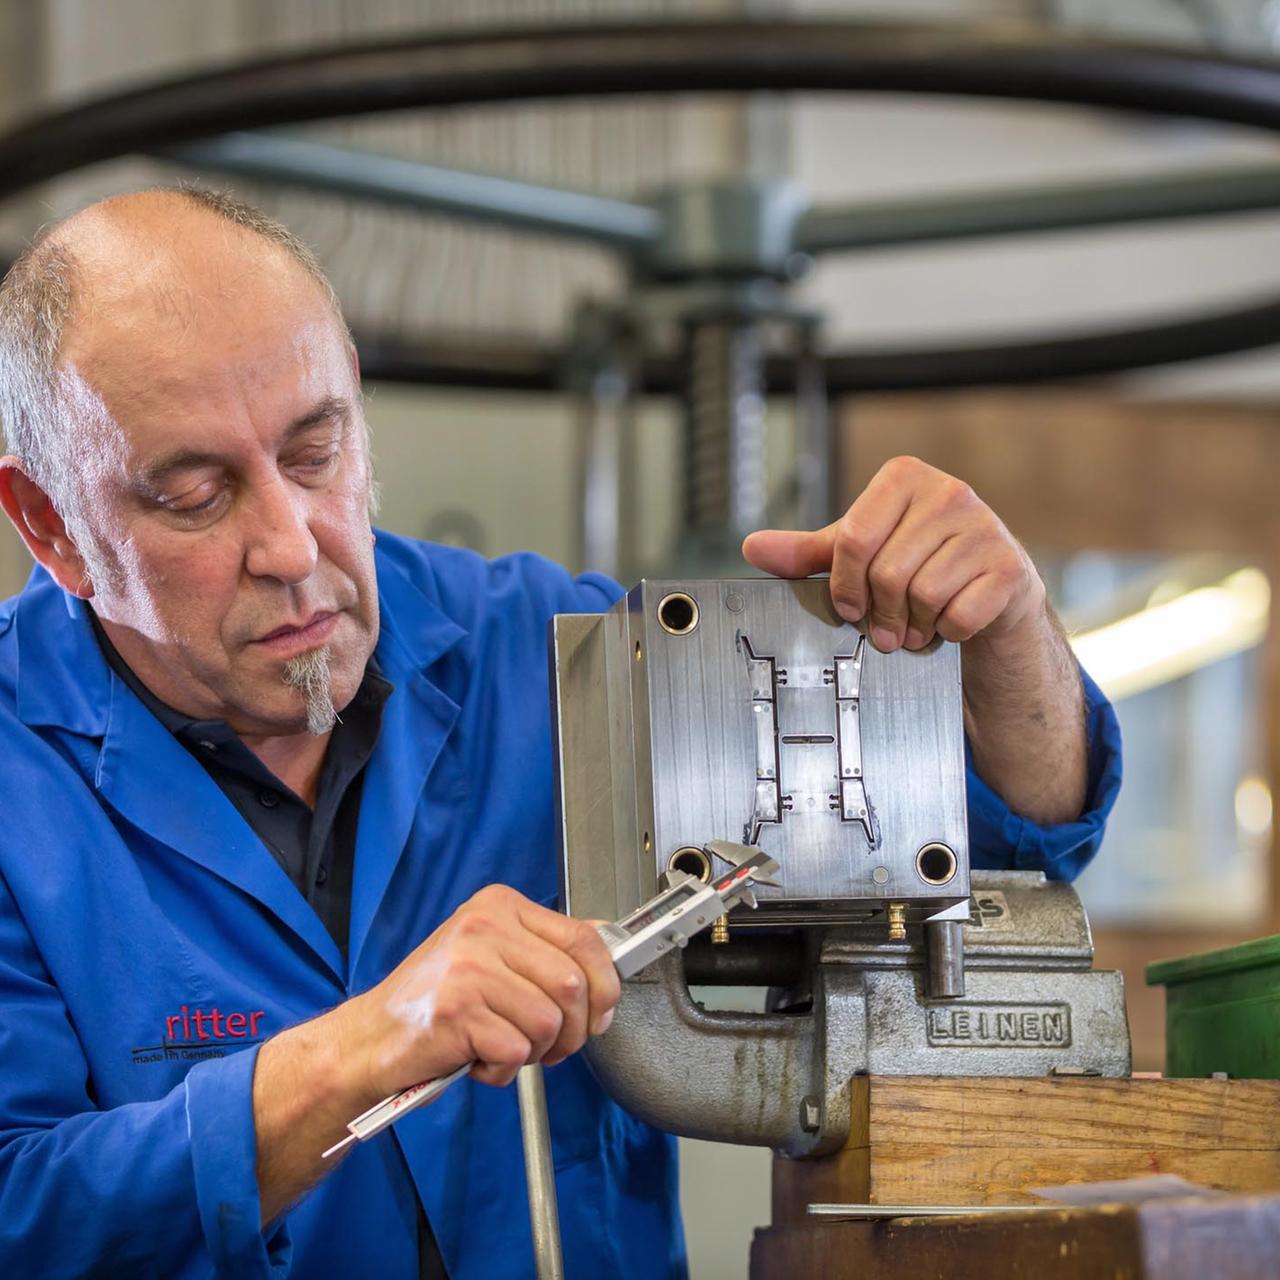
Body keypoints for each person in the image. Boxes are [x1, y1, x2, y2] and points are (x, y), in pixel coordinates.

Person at [0, 187, 1120, 1279]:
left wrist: (1008, 632)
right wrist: (361, 1046)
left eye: (314, 452)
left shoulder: (551, 655)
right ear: (50, 526)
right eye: (195, 494)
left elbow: (1006, 864)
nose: (291, 545)